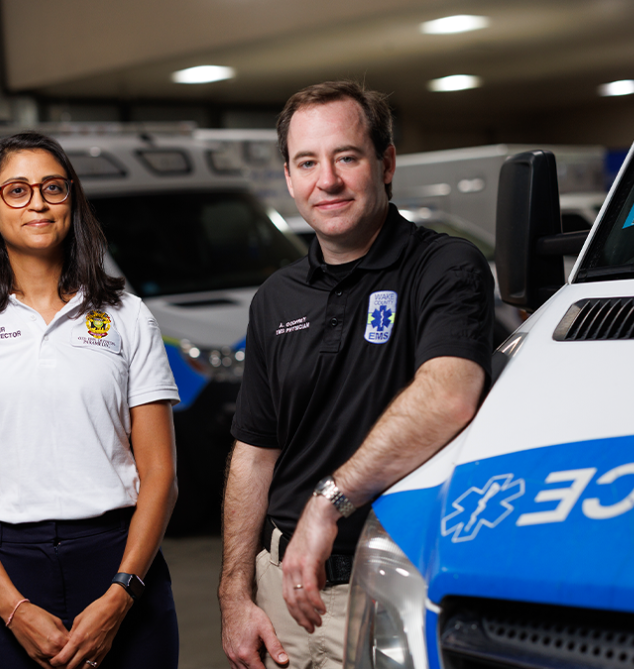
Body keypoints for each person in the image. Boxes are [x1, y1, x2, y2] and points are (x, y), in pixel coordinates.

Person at [219, 81, 495, 669]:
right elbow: (254, 452)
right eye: (307, 163)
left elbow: (450, 394)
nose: (328, 181)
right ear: (289, 178)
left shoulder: (444, 265)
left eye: (346, 156)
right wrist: (234, 594)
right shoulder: (275, 297)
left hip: (389, 585)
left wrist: (328, 504)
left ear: (386, 162)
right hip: (279, 594)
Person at [0, 132, 180, 669]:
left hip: (118, 558)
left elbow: (160, 475)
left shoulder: (127, 315)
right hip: (5, 567)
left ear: (72, 201)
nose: (36, 202)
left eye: (52, 188)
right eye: (16, 190)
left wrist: (122, 593)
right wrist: (12, 608)